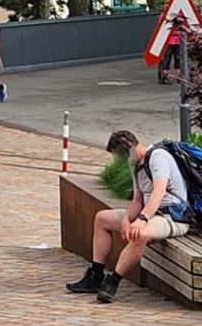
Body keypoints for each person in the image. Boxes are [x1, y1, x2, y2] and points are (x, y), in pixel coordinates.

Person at [66, 129, 191, 303]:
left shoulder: (158, 157)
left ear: (129, 149)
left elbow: (159, 191)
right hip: (148, 212)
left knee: (140, 234)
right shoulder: (135, 165)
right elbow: (137, 200)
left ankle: (113, 282)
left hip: (172, 216)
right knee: (102, 219)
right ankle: (95, 275)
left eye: (120, 157)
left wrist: (141, 220)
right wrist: (126, 220)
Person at [159, 18, 183, 84]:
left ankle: (179, 76)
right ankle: (165, 76)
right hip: (168, 41)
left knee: (178, 59)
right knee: (167, 59)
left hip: (178, 41)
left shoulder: (181, 16)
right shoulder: (166, 16)